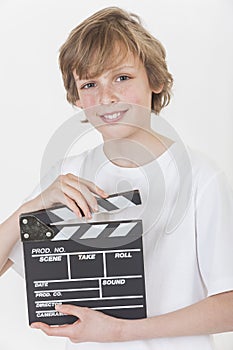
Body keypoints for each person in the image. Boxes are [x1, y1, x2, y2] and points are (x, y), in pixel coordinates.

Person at [1, 6, 233, 350]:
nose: (106, 96)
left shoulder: (201, 177)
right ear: (77, 99)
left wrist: (121, 331)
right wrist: (30, 207)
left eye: (122, 78)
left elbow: (229, 306)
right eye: (90, 84)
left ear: (155, 80)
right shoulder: (68, 176)